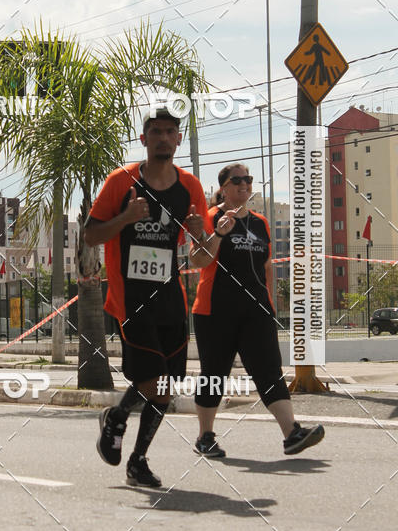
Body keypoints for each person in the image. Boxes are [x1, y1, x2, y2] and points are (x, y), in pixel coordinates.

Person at [85, 109, 210, 487]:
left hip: (170, 296)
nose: (163, 138)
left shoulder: (190, 187)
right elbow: (91, 235)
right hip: (130, 297)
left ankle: (135, 454)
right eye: (155, 132)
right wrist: (125, 218)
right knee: (152, 380)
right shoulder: (120, 182)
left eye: (170, 132)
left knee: (166, 387)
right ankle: (120, 422)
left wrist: (200, 232)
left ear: (178, 139)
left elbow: (203, 256)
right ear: (144, 139)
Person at [190, 162, 325, 456]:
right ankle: (205, 437)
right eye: (236, 180)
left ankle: (291, 434)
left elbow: (266, 268)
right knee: (215, 373)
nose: (244, 185)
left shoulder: (261, 223)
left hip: (256, 313)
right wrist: (218, 235)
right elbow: (197, 260)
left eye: (248, 180)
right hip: (215, 311)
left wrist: (270, 305)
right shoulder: (211, 217)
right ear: (223, 187)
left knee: (269, 371)